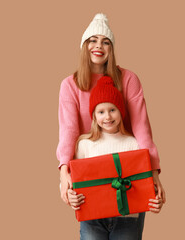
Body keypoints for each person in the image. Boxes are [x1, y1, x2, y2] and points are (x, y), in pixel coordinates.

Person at [57, 12, 166, 214]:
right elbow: (68, 132)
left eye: (105, 42)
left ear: (112, 49)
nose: (98, 46)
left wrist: (154, 173)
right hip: (91, 175)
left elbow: (142, 129)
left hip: (127, 175)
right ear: (84, 46)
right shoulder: (70, 85)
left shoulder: (128, 79)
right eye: (93, 40)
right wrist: (64, 174)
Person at [67, 75, 162, 239]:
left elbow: (144, 182)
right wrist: (71, 195)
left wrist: (154, 199)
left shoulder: (134, 143)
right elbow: (74, 180)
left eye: (112, 110)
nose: (108, 117)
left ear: (121, 111)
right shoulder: (84, 144)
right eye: (101, 112)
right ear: (94, 116)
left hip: (127, 219)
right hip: (92, 219)